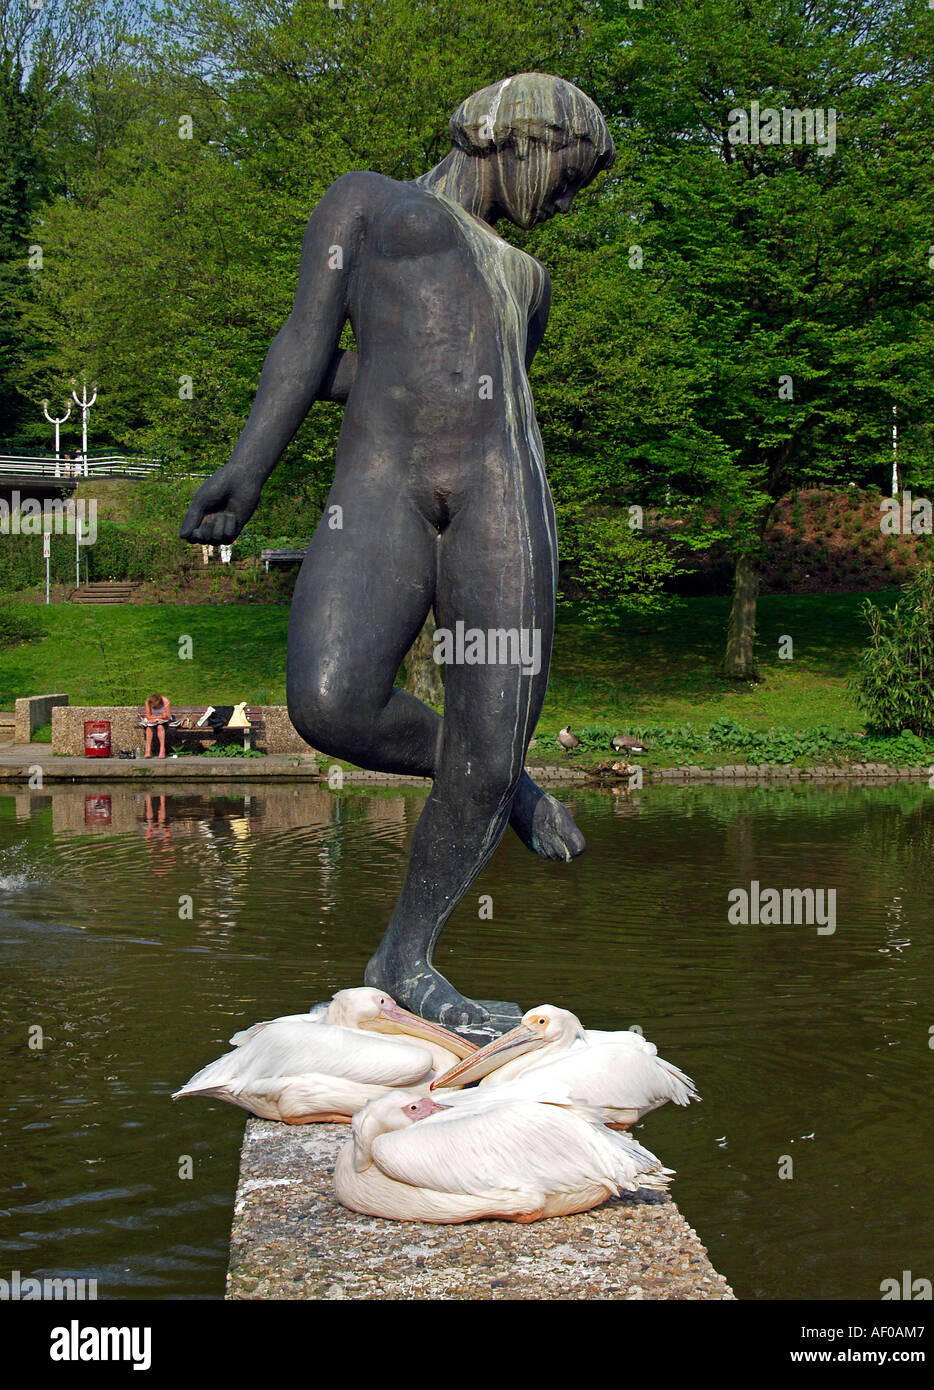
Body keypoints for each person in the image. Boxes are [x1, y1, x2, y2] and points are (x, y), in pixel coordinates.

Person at [180, 74, 614, 1037]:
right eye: (566, 171)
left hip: (502, 496)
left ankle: (406, 955)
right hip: (380, 490)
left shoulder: (527, 278)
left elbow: (462, 377)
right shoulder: (369, 199)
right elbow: (308, 340)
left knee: (491, 726)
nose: (566, 199)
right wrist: (247, 469)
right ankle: (507, 783)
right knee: (329, 703)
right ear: (508, 135)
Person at [143, 693, 171, 758]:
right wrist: (158, 717)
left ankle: (162, 749)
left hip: (163, 721)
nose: (155, 708)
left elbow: (167, 716)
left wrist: (157, 718)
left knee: (160, 727)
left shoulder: (165, 701)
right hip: (153, 720)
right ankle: (148, 750)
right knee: (149, 728)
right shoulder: (148, 701)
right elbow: (148, 716)